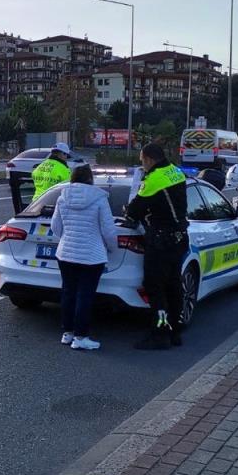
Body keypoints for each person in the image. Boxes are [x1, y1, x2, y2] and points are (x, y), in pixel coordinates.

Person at [125, 143, 189, 350]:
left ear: (151, 159)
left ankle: (160, 333)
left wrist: (129, 211)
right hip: (179, 237)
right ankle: (175, 330)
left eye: (142, 159)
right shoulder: (175, 172)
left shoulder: (153, 179)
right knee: (173, 285)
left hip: (161, 240)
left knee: (155, 286)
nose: (142, 164)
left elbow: (134, 211)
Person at [50, 165, 119, 350]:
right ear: (90, 179)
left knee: (68, 292)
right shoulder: (99, 198)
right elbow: (108, 230)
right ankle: (81, 337)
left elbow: (55, 227)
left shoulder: (62, 197)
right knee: (85, 295)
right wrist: (112, 248)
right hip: (91, 256)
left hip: (65, 253)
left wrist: (67, 238)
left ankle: (68, 333)